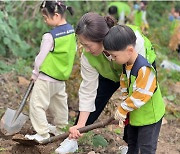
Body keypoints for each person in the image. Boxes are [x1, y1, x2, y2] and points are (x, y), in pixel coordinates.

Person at [55, 12, 156, 154]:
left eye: (88, 45)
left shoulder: (131, 42)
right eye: (83, 45)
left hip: (136, 71)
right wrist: (80, 125)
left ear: (102, 40)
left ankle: (131, 144)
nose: (86, 49)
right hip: (111, 73)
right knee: (97, 99)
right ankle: (73, 139)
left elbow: (138, 91)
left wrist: (123, 107)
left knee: (135, 105)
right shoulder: (88, 56)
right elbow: (87, 90)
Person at [103, 25, 165, 154]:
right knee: (132, 143)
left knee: (146, 148)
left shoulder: (144, 69)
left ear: (130, 50)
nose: (113, 59)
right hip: (136, 114)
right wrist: (124, 106)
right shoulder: (127, 63)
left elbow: (141, 94)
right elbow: (125, 83)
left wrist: (123, 108)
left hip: (149, 117)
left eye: (115, 56)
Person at [25, 0, 76, 142]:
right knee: (59, 105)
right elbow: (73, 51)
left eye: (46, 17)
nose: (45, 21)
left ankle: (42, 133)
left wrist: (35, 73)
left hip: (46, 77)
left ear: (56, 15)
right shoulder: (71, 31)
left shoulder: (50, 36)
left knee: (37, 104)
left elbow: (40, 58)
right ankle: (61, 129)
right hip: (61, 78)